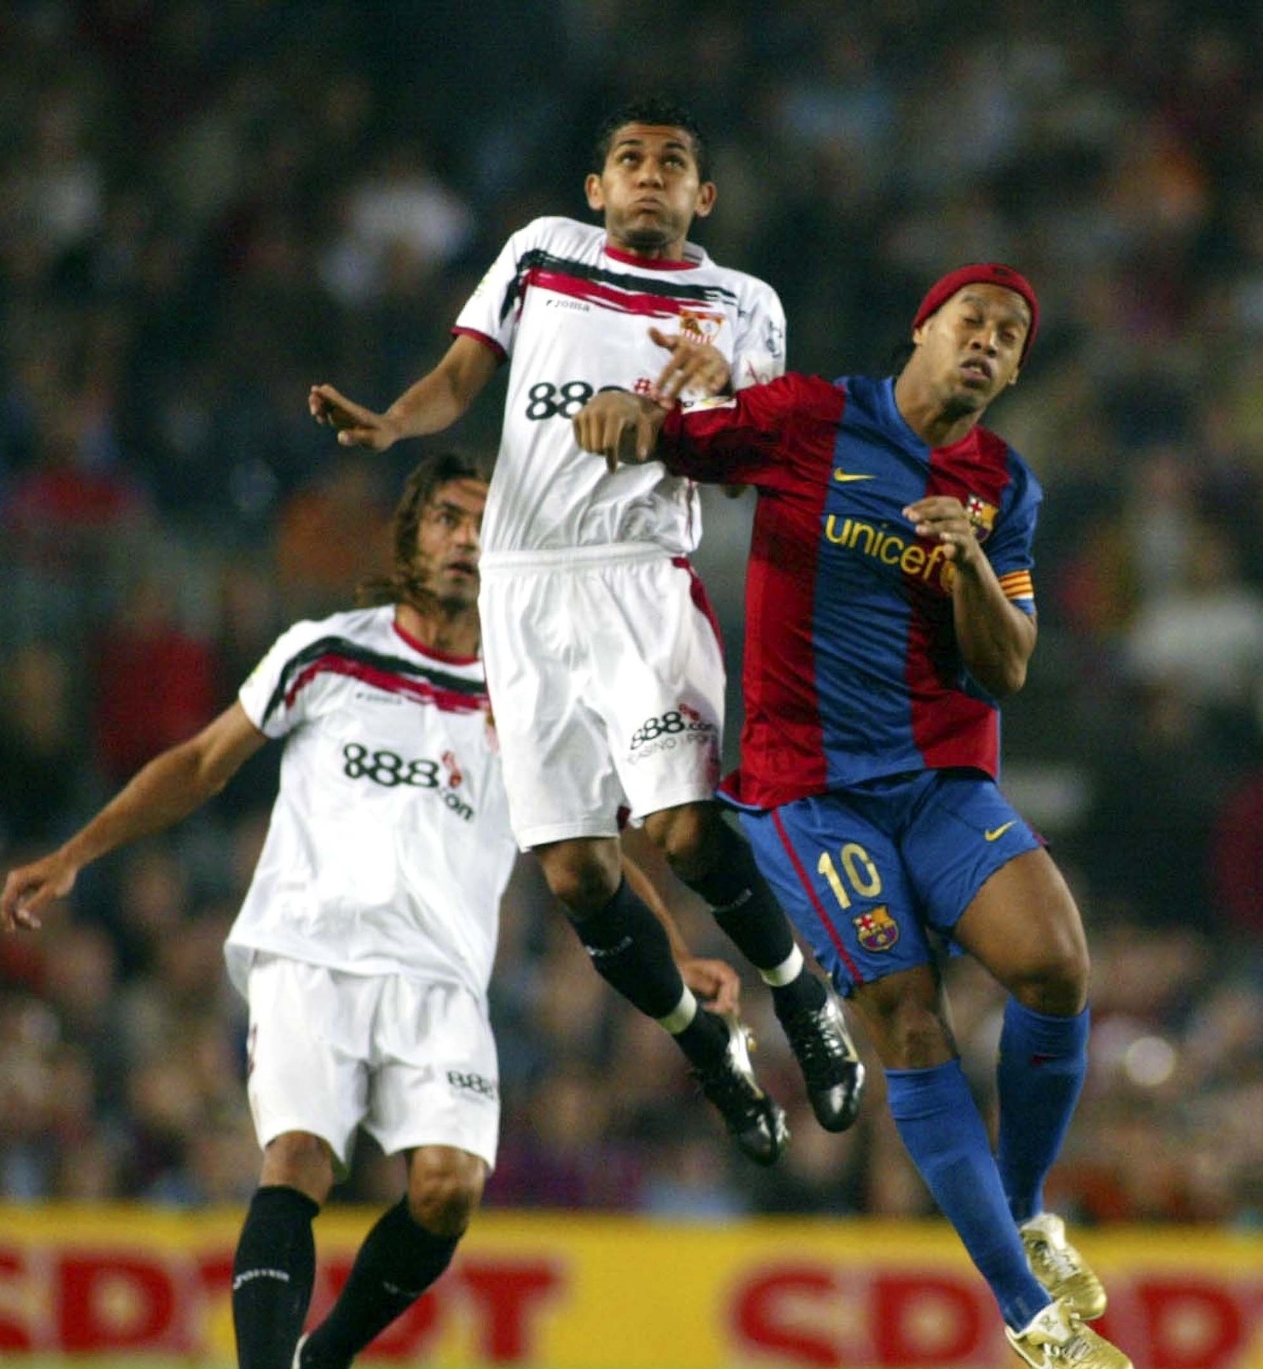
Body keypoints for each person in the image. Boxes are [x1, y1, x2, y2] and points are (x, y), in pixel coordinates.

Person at [0, 454, 739, 1369]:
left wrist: (680, 951)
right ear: (410, 535)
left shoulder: (527, 691)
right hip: (310, 953)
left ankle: (325, 1357)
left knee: (447, 1189)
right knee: (298, 1158)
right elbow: (201, 763)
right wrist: (77, 852)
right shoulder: (327, 652)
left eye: (484, 523)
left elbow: (591, 847)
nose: (466, 538)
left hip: (442, 979)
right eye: (447, 517)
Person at [570, 264, 1135, 1369]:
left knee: (1057, 967)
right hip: (813, 792)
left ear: (1014, 373)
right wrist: (630, 410)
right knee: (911, 1021)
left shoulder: (1002, 485)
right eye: (971, 320)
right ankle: (1029, 1316)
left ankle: (1026, 1215)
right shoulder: (812, 418)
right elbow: (678, 440)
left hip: (942, 784)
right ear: (922, 328)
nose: (987, 340)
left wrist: (966, 562)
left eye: (1010, 335)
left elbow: (1007, 664)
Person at [307, 99, 863, 1166]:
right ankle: (706, 1042)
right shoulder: (541, 252)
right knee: (575, 874)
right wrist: (391, 423)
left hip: (638, 576)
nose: (649, 173)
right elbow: (461, 375)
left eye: (672, 162)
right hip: (521, 591)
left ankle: (803, 997)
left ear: (704, 196)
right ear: (596, 189)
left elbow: (753, 463)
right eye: (630, 159)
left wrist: (702, 399)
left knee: (685, 831)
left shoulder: (740, 302)